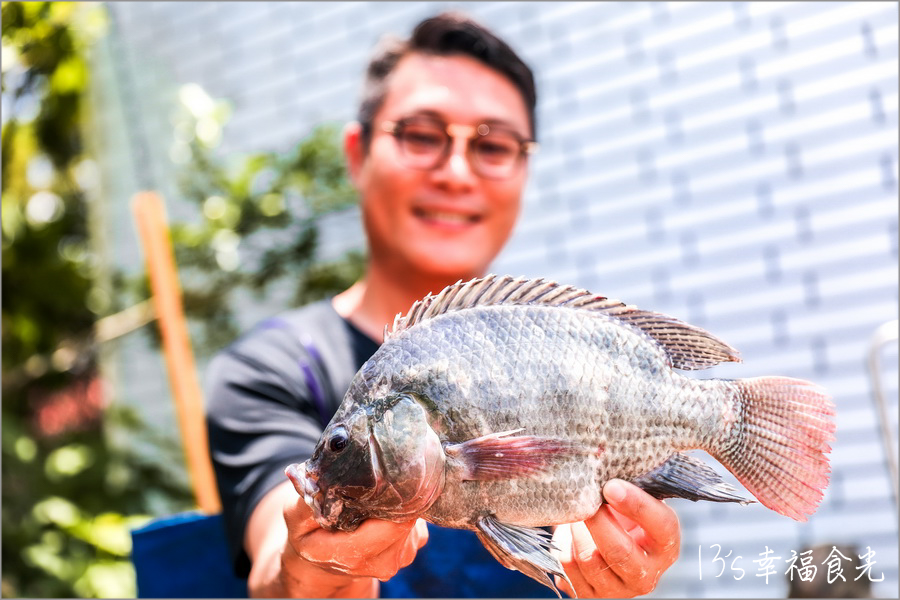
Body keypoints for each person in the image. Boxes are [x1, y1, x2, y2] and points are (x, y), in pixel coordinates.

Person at [205, 12, 681, 598]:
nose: (456, 173)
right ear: (357, 155)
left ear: (525, 169)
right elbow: (276, 551)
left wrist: (622, 561)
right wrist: (309, 571)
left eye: (494, 145)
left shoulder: (572, 352)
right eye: (423, 136)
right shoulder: (272, 370)